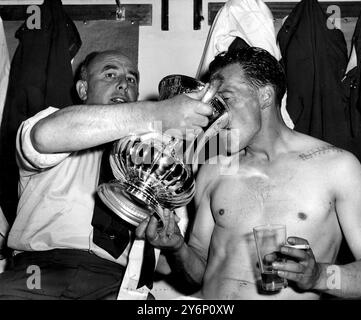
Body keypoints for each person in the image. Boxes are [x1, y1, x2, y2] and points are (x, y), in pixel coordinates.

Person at [136, 47, 361, 299]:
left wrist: (319, 276)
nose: (214, 113)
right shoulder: (214, 168)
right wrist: (177, 247)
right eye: (211, 103)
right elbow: (198, 272)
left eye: (226, 98)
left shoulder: (337, 167)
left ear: (265, 96)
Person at [0, 50, 213, 299]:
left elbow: (181, 274)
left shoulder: (158, 165)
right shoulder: (53, 120)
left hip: (115, 283)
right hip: (35, 273)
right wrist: (157, 114)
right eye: (109, 74)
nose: (124, 83)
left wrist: (175, 247)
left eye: (132, 79)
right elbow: (44, 136)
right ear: (83, 89)